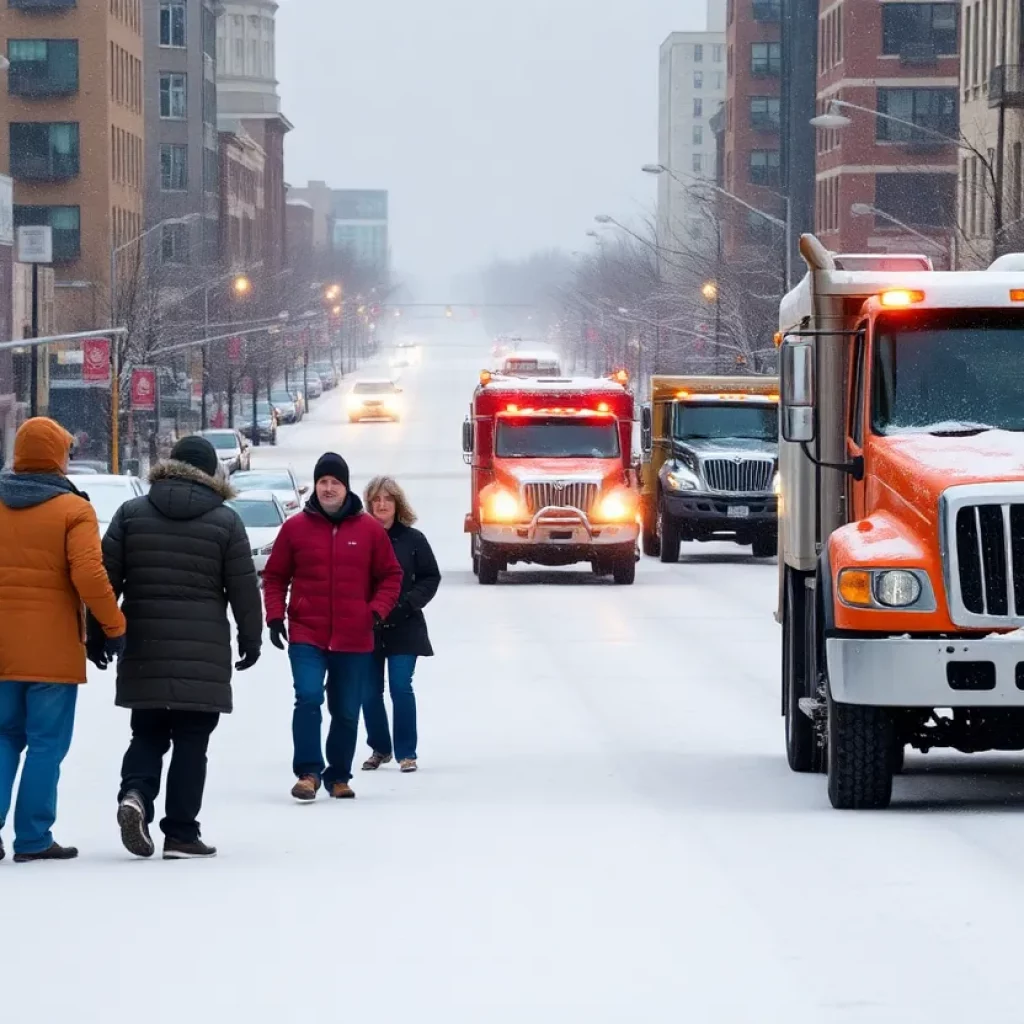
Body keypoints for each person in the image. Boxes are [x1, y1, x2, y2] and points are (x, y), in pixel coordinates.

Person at [90, 435, 262, 860]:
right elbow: (243, 589)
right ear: (211, 473)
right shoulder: (226, 521)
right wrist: (251, 638)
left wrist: (97, 634)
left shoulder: (131, 513)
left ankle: (135, 794)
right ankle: (182, 833)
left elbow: (105, 581)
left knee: (146, 732)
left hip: (144, 645)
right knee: (192, 740)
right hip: (202, 653)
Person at [0, 417, 126, 863]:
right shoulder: (73, 509)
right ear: (57, 458)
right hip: (51, 651)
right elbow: (89, 574)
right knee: (45, 743)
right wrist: (114, 626)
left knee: (3, 737)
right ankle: (33, 838)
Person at [263, 452, 403, 802]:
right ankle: (308, 773)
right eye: (322, 482)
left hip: (355, 636)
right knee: (308, 697)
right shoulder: (295, 528)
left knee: (346, 710)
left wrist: (376, 611)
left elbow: (391, 575)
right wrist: (275, 615)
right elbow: (275, 576)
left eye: (335, 483)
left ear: (346, 487)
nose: (328, 488)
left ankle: (338, 776)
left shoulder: (369, 530)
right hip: (306, 633)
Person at [361, 476, 440, 774]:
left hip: (405, 626)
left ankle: (407, 752)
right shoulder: (359, 538)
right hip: (368, 627)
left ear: (397, 503)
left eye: (388, 499)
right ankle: (380, 748)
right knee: (368, 691)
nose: (382, 504)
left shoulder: (413, 540)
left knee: (400, 686)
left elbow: (430, 577)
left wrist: (407, 604)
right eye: (376, 499)